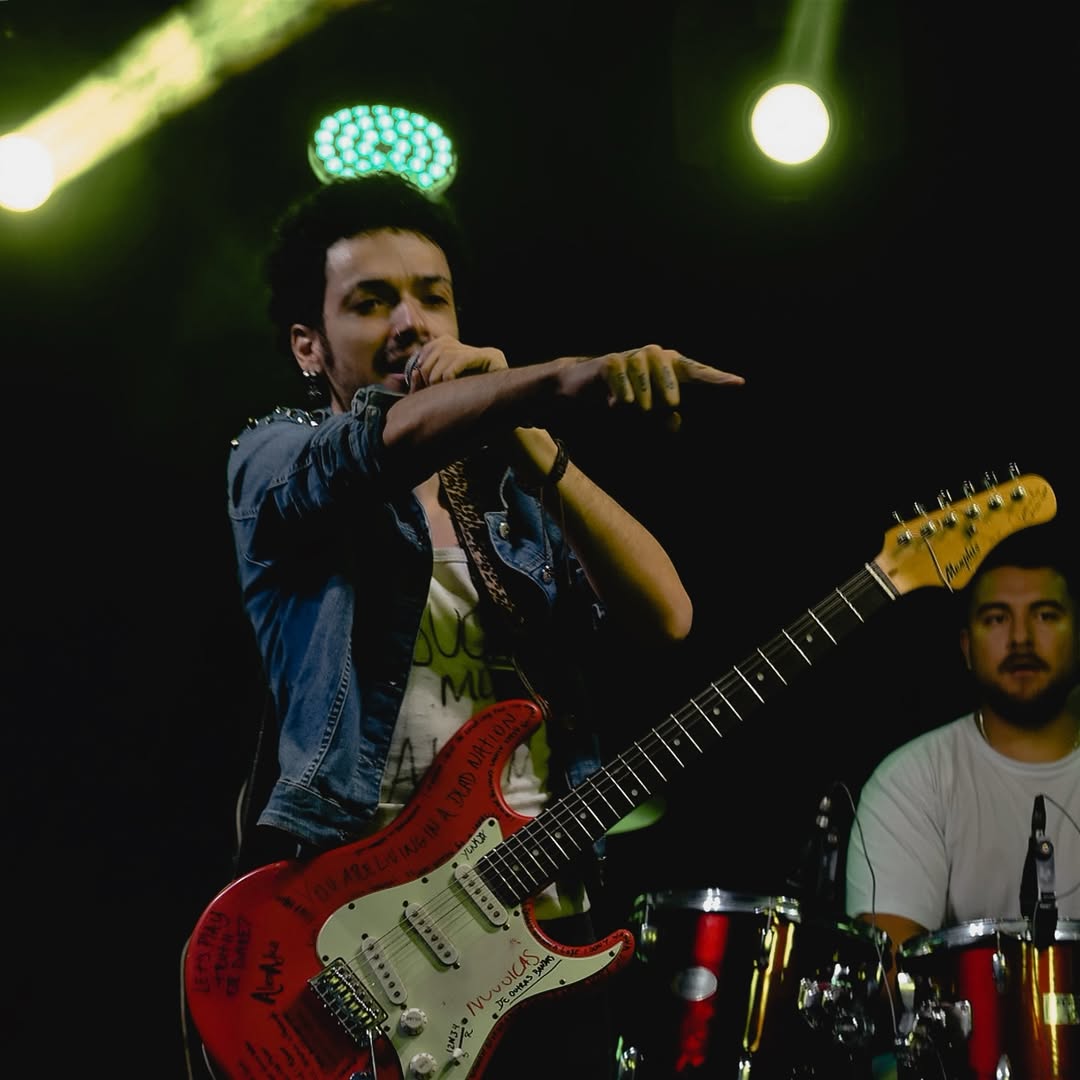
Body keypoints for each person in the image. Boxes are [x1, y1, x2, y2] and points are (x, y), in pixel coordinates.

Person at [193, 171, 745, 1080]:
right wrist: (557, 380)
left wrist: (525, 427)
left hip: (536, 929)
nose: (410, 323)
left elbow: (668, 615)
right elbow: (371, 447)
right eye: (371, 302)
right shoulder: (272, 459)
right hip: (361, 940)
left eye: (433, 296)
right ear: (308, 345)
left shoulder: (509, 501)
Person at [844, 522, 1080, 1077]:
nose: (1021, 638)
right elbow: (894, 981)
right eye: (996, 618)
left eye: (1045, 615)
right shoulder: (911, 780)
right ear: (967, 648)